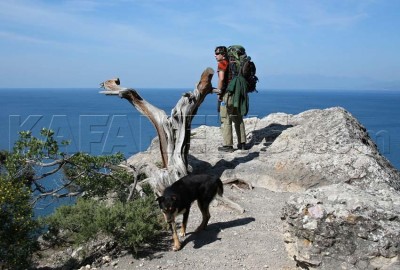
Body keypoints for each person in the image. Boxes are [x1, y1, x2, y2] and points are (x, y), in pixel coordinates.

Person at [214, 46, 247, 152]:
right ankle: (242, 143)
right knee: (238, 118)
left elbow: (221, 78)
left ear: (223, 54)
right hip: (238, 93)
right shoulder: (234, 63)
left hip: (228, 94)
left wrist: (219, 93)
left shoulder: (222, 63)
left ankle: (228, 145)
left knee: (225, 118)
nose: (215, 55)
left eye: (217, 53)